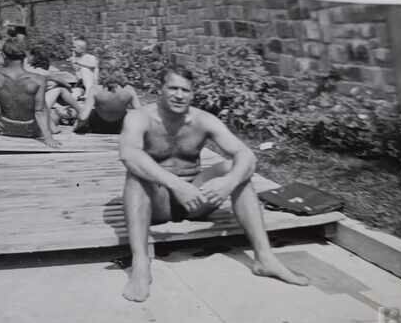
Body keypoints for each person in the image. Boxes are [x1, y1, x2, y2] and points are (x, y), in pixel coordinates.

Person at [117, 65, 310, 301]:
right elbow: (129, 154)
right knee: (136, 174)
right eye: (173, 88)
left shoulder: (203, 120)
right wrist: (177, 185)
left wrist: (228, 183)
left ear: (192, 93)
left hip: (197, 201)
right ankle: (140, 264)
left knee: (236, 168)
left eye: (185, 90)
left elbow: (246, 154)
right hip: (158, 202)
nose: (179, 95)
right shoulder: (140, 117)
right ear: (160, 89)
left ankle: (265, 258)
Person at [0, 38, 60, 147]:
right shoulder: (38, 79)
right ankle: (55, 128)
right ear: (25, 56)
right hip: (31, 130)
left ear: (3, 55)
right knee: (52, 114)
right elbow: (40, 111)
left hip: (6, 128)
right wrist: (48, 138)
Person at [25, 45, 82, 129]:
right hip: (37, 106)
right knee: (61, 90)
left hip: (29, 104)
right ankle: (80, 111)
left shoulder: (28, 70)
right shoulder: (44, 73)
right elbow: (65, 83)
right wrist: (67, 87)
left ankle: (74, 112)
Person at [75, 62, 140, 134]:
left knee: (91, 112)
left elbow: (83, 117)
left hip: (98, 126)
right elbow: (141, 113)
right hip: (119, 127)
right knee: (128, 113)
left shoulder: (95, 90)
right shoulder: (128, 89)